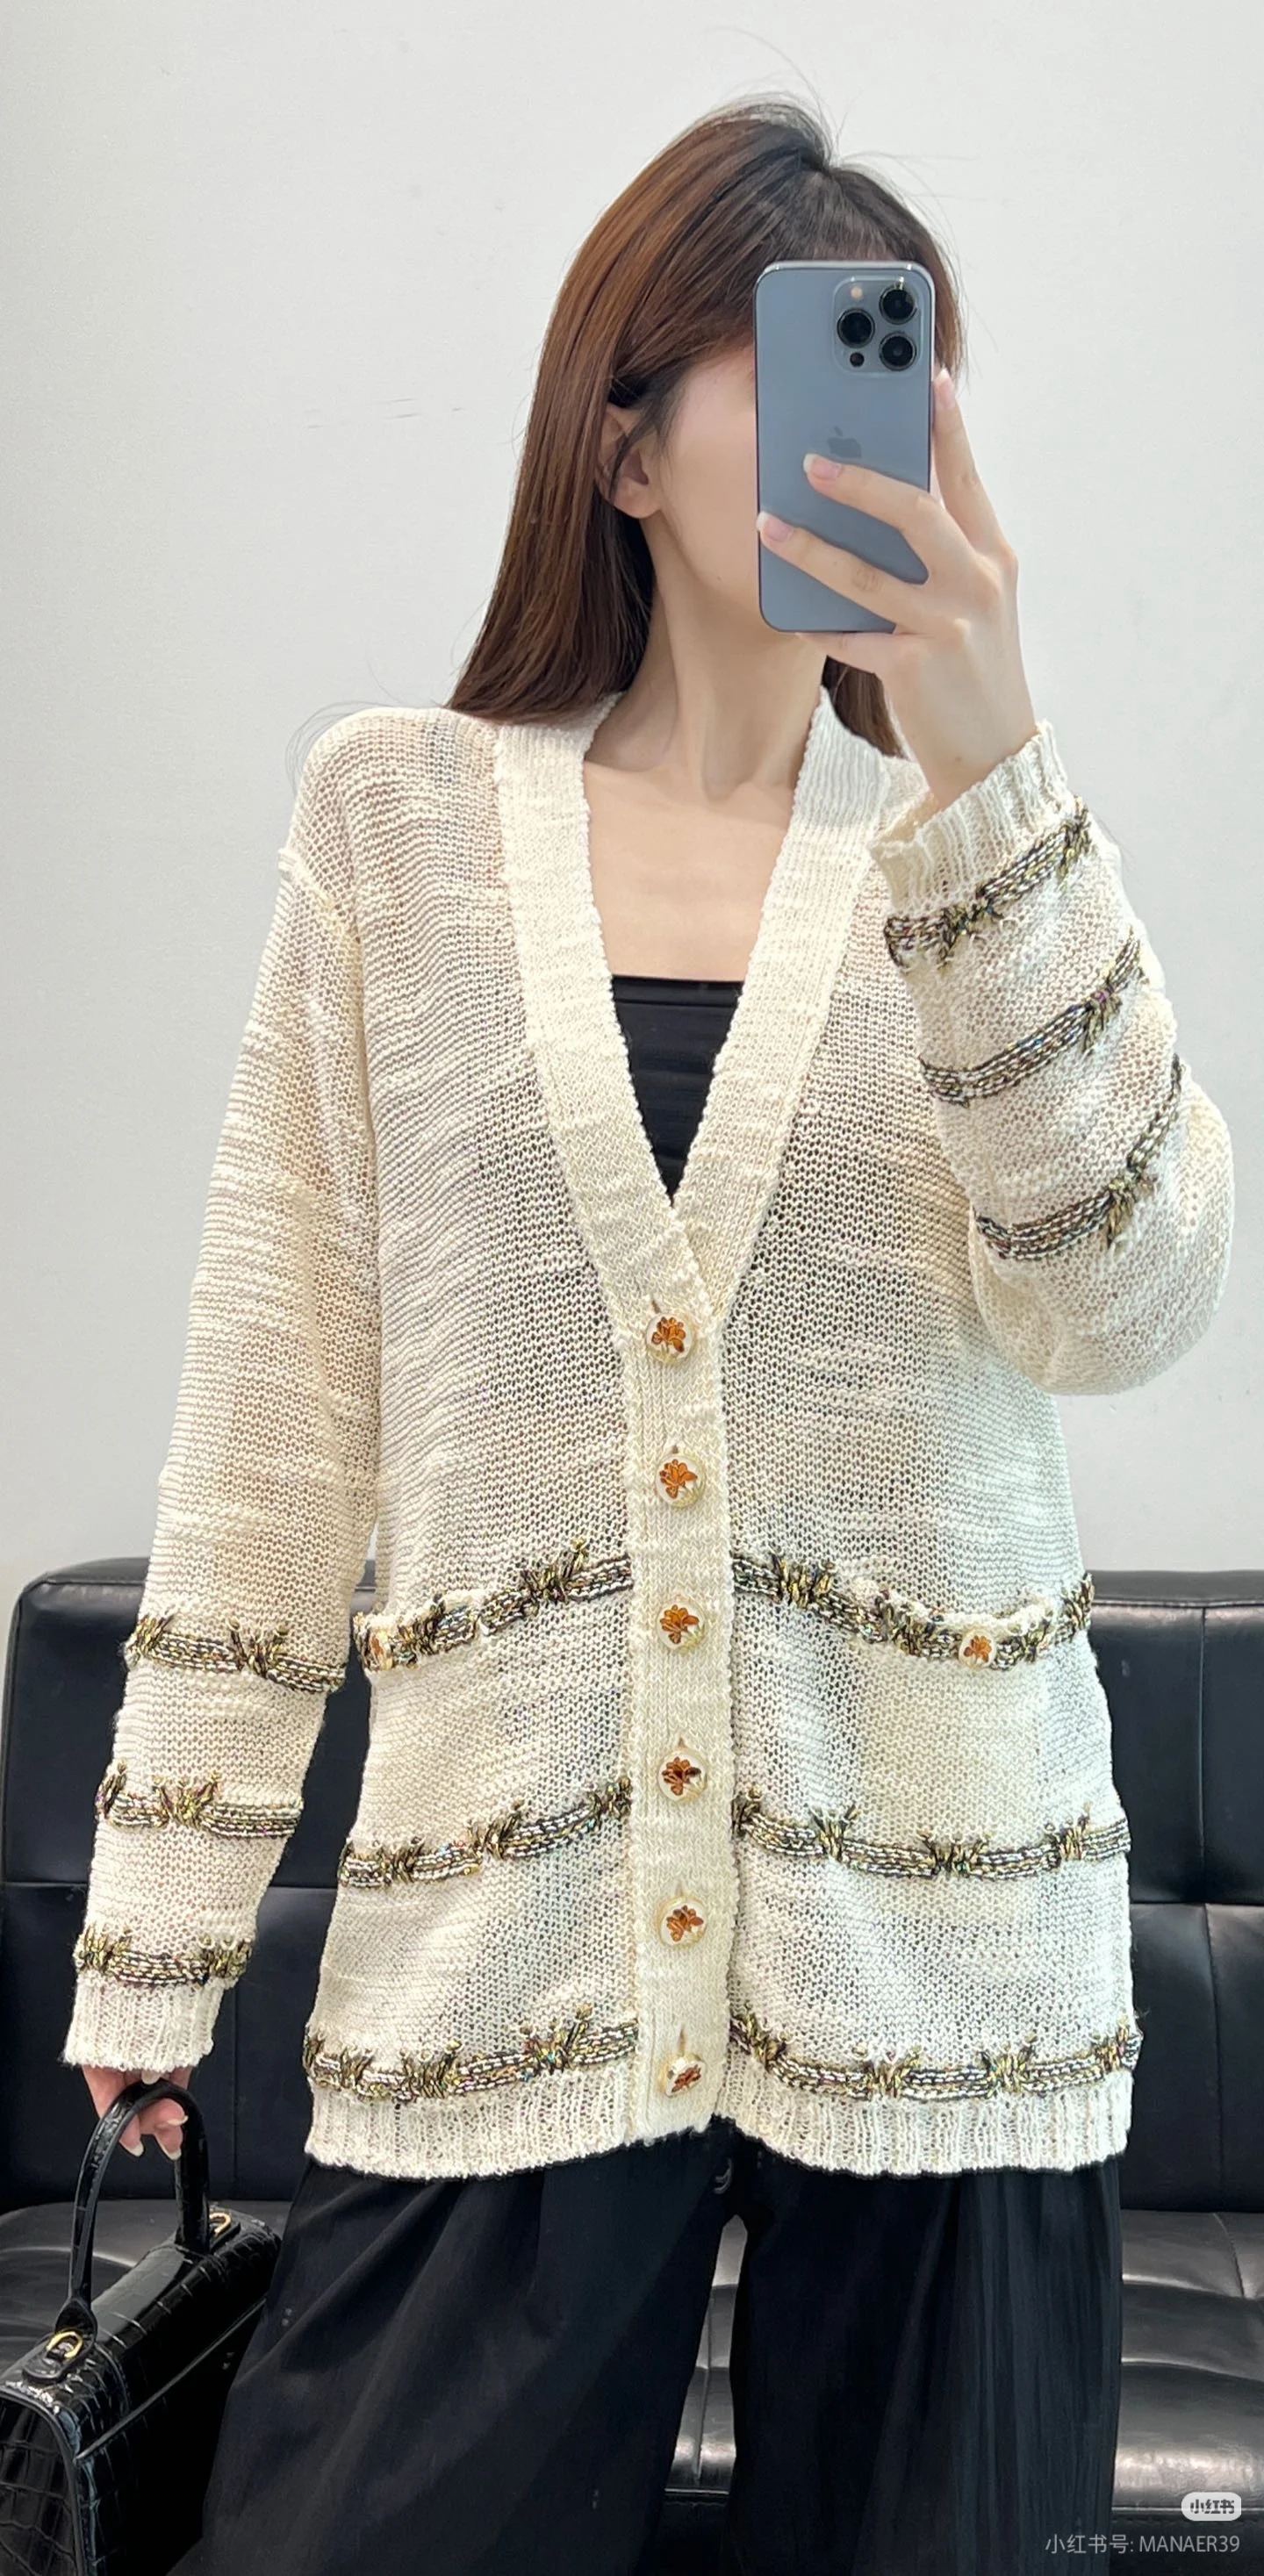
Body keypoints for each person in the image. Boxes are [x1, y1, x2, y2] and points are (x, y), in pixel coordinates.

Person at [61, 92, 1234, 2576]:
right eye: (815, 373)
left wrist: (992, 758)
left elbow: (1129, 1300)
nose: (887, 438)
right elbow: (278, 1414)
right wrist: (156, 1942)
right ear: (621, 447)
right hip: (515, 1945)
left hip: (951, 1966)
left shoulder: (977, 857)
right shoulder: (395, 832)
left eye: (914, 379)